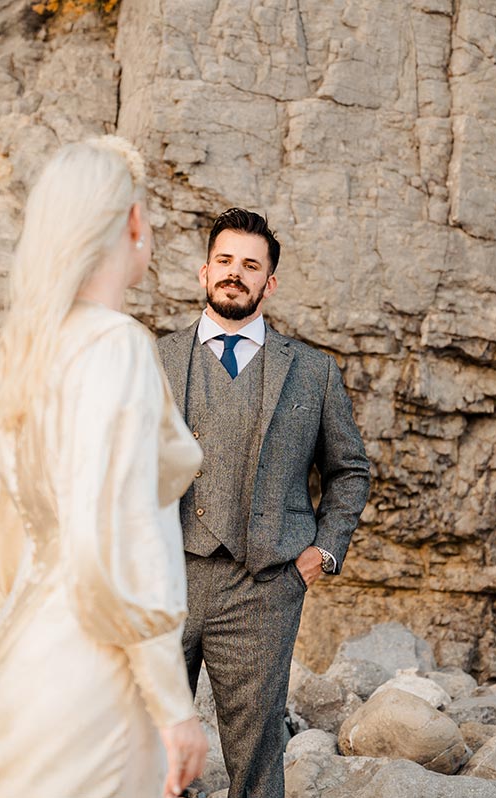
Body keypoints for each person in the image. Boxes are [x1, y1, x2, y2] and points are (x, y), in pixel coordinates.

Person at [0, 137, 208, 798]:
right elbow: (110, 538)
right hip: (99, 673)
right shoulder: (118, 348)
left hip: (27, 647)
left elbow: (1, 533)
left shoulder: (21, 357)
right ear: (134, 223)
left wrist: (26, 622)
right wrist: (173, 703)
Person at [156, 208, 371, 798]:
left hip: (264, 589)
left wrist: (322, 553)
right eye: (224, 261)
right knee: (145, 747)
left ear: (268, 283)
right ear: (204, 272)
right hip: (162, 577)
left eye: (251, 265)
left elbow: (349, 471)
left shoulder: (312, 371)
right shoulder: (154, 359)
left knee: (255, 761)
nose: (235, 273)